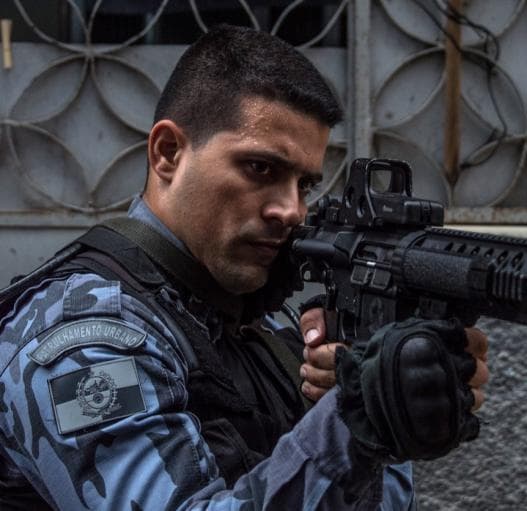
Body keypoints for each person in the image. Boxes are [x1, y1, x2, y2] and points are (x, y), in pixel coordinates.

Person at [0, 25, 489, 509]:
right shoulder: (86, 341)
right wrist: (359, 418)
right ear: (168, 153)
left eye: (304, 184)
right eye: (260, 169)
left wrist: (381, 401)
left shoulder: (250, 323)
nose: (291, 210)